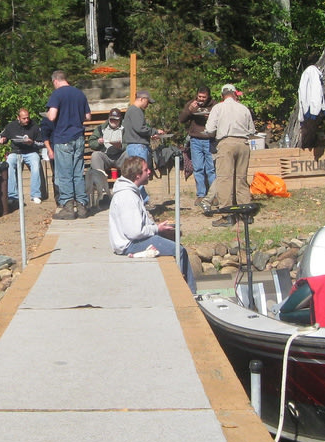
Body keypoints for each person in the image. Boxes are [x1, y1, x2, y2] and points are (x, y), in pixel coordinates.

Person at [108, 155, 197, 291]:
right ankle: (189, 293)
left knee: (175, 240)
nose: (149, 172)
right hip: (130, 245)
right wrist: (157, 229)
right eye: (146, 170)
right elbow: (134, 232)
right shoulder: (127, 197)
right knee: (179, 251)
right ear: (137, 175)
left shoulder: (131, 192)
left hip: (132, 241)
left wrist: (158, 228)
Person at [203, 83, 255, 226]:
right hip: (243, 144)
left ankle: (227, 216)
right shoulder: (244, 108)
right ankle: (246, 214)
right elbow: (251, 130)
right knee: (241, 179)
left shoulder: (218, 108)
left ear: (222, 95)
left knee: (224, 179)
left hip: (226, 143)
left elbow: (209, 129)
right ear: (234, 94)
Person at [45, 69, 92, 219]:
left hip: (63, 138)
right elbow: (88, 117)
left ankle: (68, 208)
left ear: (55, 81)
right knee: (78, 173)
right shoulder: (79, 94)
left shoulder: (57, 94)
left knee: (65, 175)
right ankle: (82, 206)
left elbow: (52, 116)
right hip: (79, 138)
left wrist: (47, 114)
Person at [0, 108, 44, 205]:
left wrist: (32, 143)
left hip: (31, 151)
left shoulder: (35, 126)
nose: (26, 120)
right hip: (16, 152)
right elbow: (3, 135)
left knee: (36, 163)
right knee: (9, 163)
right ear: (18, 118)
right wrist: (3, 139)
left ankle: (35, 194)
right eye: (24, 118)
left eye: (27, 118)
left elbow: (41, 143)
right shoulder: (11, 126)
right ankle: (13, 195)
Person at [178, 88, 215, 206]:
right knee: (198, 168)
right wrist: (189, 110)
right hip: (195, 140)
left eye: (204, 97)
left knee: (211, 169)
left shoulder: (214, 105)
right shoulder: (191, 104)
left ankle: (213, 195)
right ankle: (201, 195)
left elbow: (219, 120)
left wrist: (209, 117)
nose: (201, 99)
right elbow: (181, 119)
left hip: (210, 139)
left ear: (208, 97)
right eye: (199, 96)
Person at [122, 90, 162, 163]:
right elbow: (140, 128)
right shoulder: (135, 111)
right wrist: (155, 131)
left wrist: (150, 136)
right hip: (138, 148)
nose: (148, 105)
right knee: (140, 172)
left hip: (134, 147)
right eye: (147, 102)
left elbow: (136, 130)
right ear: (141, 99)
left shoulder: (132, 110)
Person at [86, 108, 126, 176]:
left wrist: (122, 146)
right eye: (112, 119)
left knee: (130, 153)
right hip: (106, 155)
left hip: (120, 156)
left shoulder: (125, 129)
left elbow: (131, 142)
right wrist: (98, 142)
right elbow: (91, 142)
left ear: (120, 119)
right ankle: (99, 178)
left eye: (116, 120)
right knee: (95, 155)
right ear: (109, 119)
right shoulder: (101, 128)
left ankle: (128, 178)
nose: (114, 121)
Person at [297, 64, 325, 149]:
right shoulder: (312, 72)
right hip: (310, 107)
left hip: (310, 107)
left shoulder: (310, 72)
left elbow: (317, 92)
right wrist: (314, 110)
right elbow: (316, 92)